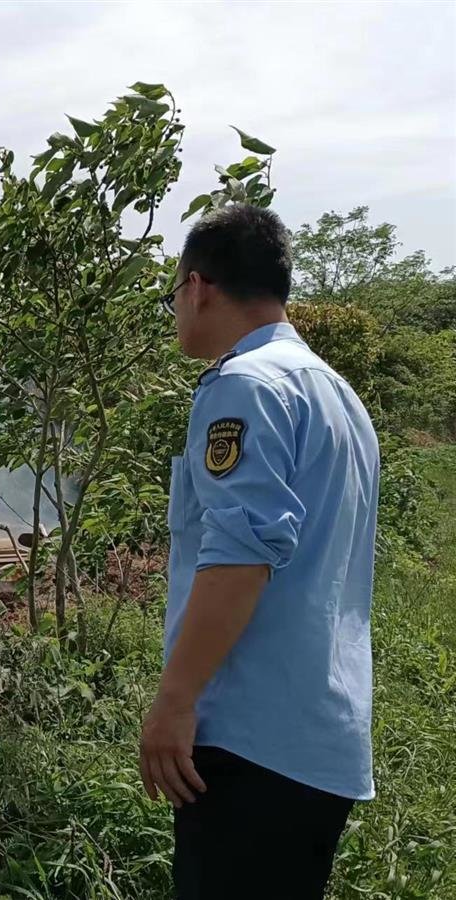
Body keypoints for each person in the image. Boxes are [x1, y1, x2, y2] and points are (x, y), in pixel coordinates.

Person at [140, 204, 379, 900]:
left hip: (250, 743)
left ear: (200, 285)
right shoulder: (337, 396)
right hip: (317, 739)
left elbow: (240, 555)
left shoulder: (243, 385)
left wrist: (175, 703)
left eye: (174, 294)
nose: (176, 311)